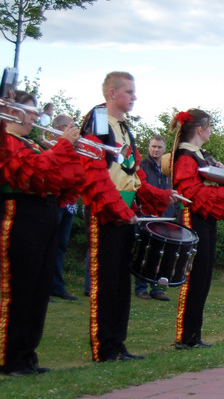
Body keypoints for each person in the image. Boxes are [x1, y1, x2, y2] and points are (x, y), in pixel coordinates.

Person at [79, 71, 176, 362]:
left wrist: (161, 195)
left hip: (125, 211)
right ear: (112, 93)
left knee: (121, 280)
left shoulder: (123, 127)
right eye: (129, 92)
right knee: (106, 279)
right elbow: (95, 172)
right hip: (106, 210)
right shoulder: (99, 120)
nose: (134, 97)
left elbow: (132, 173)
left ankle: (117, 343)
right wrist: (120, 208)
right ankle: (104, 347)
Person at [1, 91, 86, 375]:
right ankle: (9, 357)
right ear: (12, 112)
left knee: (38, 289)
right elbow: (32, 170)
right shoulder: (6, 141)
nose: (37, 117)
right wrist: (62, 147)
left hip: (45, 214)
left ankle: (27, 354)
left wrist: (69, 152)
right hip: (20, 213)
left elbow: (61, 177)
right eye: (30, 111)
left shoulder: (35, 144)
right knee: (19, 287)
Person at [171, 109, 224, 349]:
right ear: (200, 129)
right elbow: (190, 193)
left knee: (204, 276)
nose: (211, 131)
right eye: (209, 127)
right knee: (194, 276)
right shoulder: (186, 155)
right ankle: (186, 336)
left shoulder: (202, 155)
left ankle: (193, 334)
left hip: (206, 218)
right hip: (194, 217)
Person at [135, 134, 177, 301]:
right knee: (145, 252)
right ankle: (141, 288)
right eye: (153, 146)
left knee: (161, 254)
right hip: (147, 215)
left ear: (164, 149)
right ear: (149, 147)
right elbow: (141, 189)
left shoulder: (169, 169)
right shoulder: (142, 166)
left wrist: (174, 211)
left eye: (159, 147)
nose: (156, 150)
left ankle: (157, 289)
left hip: (166, 215)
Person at [46, 114, 79, 302]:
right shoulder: (49, 145)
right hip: (54, 199)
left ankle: (57, 286)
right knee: (48, 243)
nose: (74, 130)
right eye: (71, 126)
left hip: (69, 203)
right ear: (60, 128)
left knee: (61, 245)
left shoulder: (70, 147)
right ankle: (44, 286)